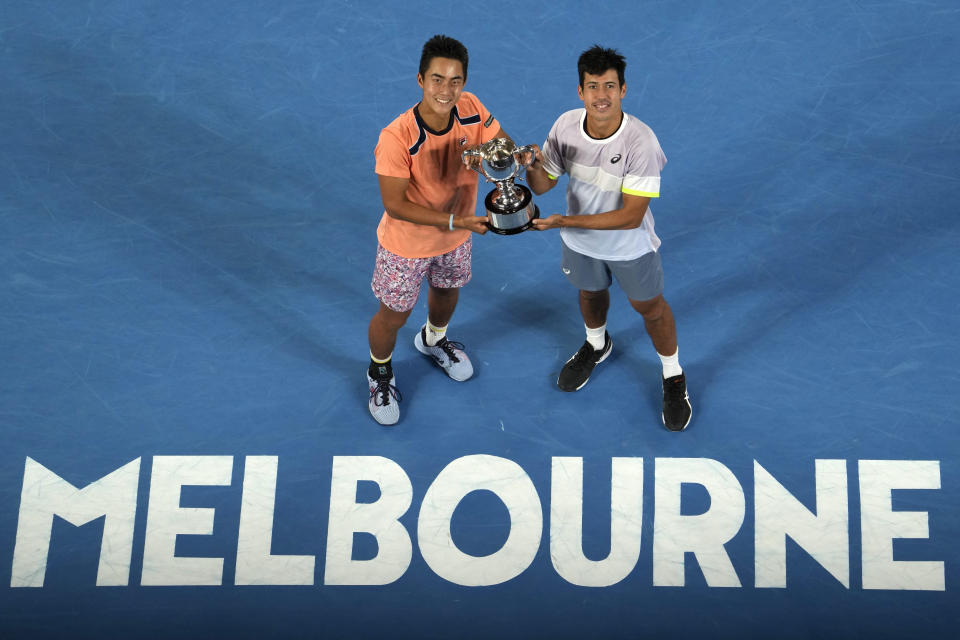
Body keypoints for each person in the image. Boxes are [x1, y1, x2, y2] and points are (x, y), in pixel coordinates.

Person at [525, 45, 692, 431]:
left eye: (610, 86)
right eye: (593, 86)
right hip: (580, 243)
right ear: (580, 91)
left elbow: (632, 216)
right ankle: (597, 344)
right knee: (590, 294)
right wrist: (532, 165)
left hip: (629, 246)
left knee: (651, 309)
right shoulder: (565, 125)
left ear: (624, 90)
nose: (602, 96)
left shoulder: (641, 142)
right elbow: (543, 184)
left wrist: (566, 220)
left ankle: (672, 374)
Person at [366, 34, 520, 426]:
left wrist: (514, 158)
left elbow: (501, 143)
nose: (446, 90)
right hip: (406, 246)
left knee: (447, 293)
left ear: (464, 83)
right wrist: (457, 221)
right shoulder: (396, 137)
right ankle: (379, 373)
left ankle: (433, 340)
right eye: (437, 79)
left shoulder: (470, 108)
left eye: (455, 81)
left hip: (457, 236)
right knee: (393, 316)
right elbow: (395, 204)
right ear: (420, 80)